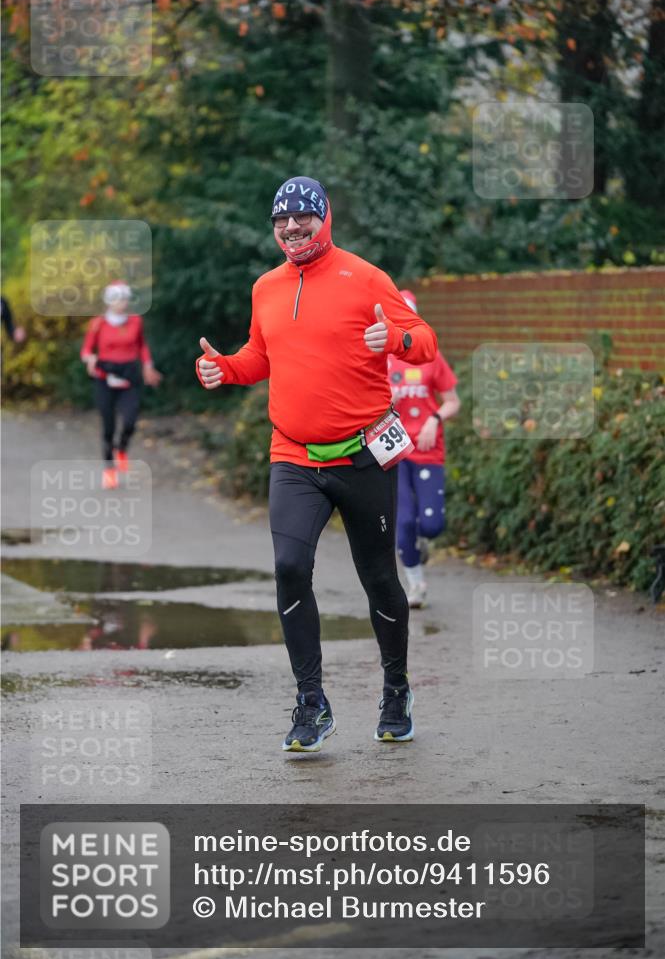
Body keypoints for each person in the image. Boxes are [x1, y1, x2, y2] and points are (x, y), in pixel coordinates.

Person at [196, 176, 438, 752]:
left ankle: (396, 690)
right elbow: (262, 355)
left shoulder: (366, 278)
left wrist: (394, 342)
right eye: (280, 221)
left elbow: (424, 339)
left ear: (323, 218)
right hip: (294, 455)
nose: (291, 228)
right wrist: (226, 369)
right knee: (288, 565)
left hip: (363, 455)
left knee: (378, 576)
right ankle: (311, 702)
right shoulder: (266, 287)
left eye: (302, 217)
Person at [388, 290, 460, 608]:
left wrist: (434, 418)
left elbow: (454, 402)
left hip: (429, 449)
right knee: (402, 523)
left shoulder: (431, 357)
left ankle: (419, 543)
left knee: (432, 524)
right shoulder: (378, 358)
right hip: (393, 452)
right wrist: (381, 401)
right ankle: (416, 586)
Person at [81, 281, 162, 489]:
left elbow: (142, 346)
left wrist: (148, 366)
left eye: (125, 298)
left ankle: (122, 448)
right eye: (118, 299)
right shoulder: (98, 323)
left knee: (130, 420)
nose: (123, 303)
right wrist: (90, 359)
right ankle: (109, 470)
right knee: (108, 426)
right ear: (109, 301)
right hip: (105, 376)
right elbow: (87, 350)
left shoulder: (135, 321)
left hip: (129, 374)